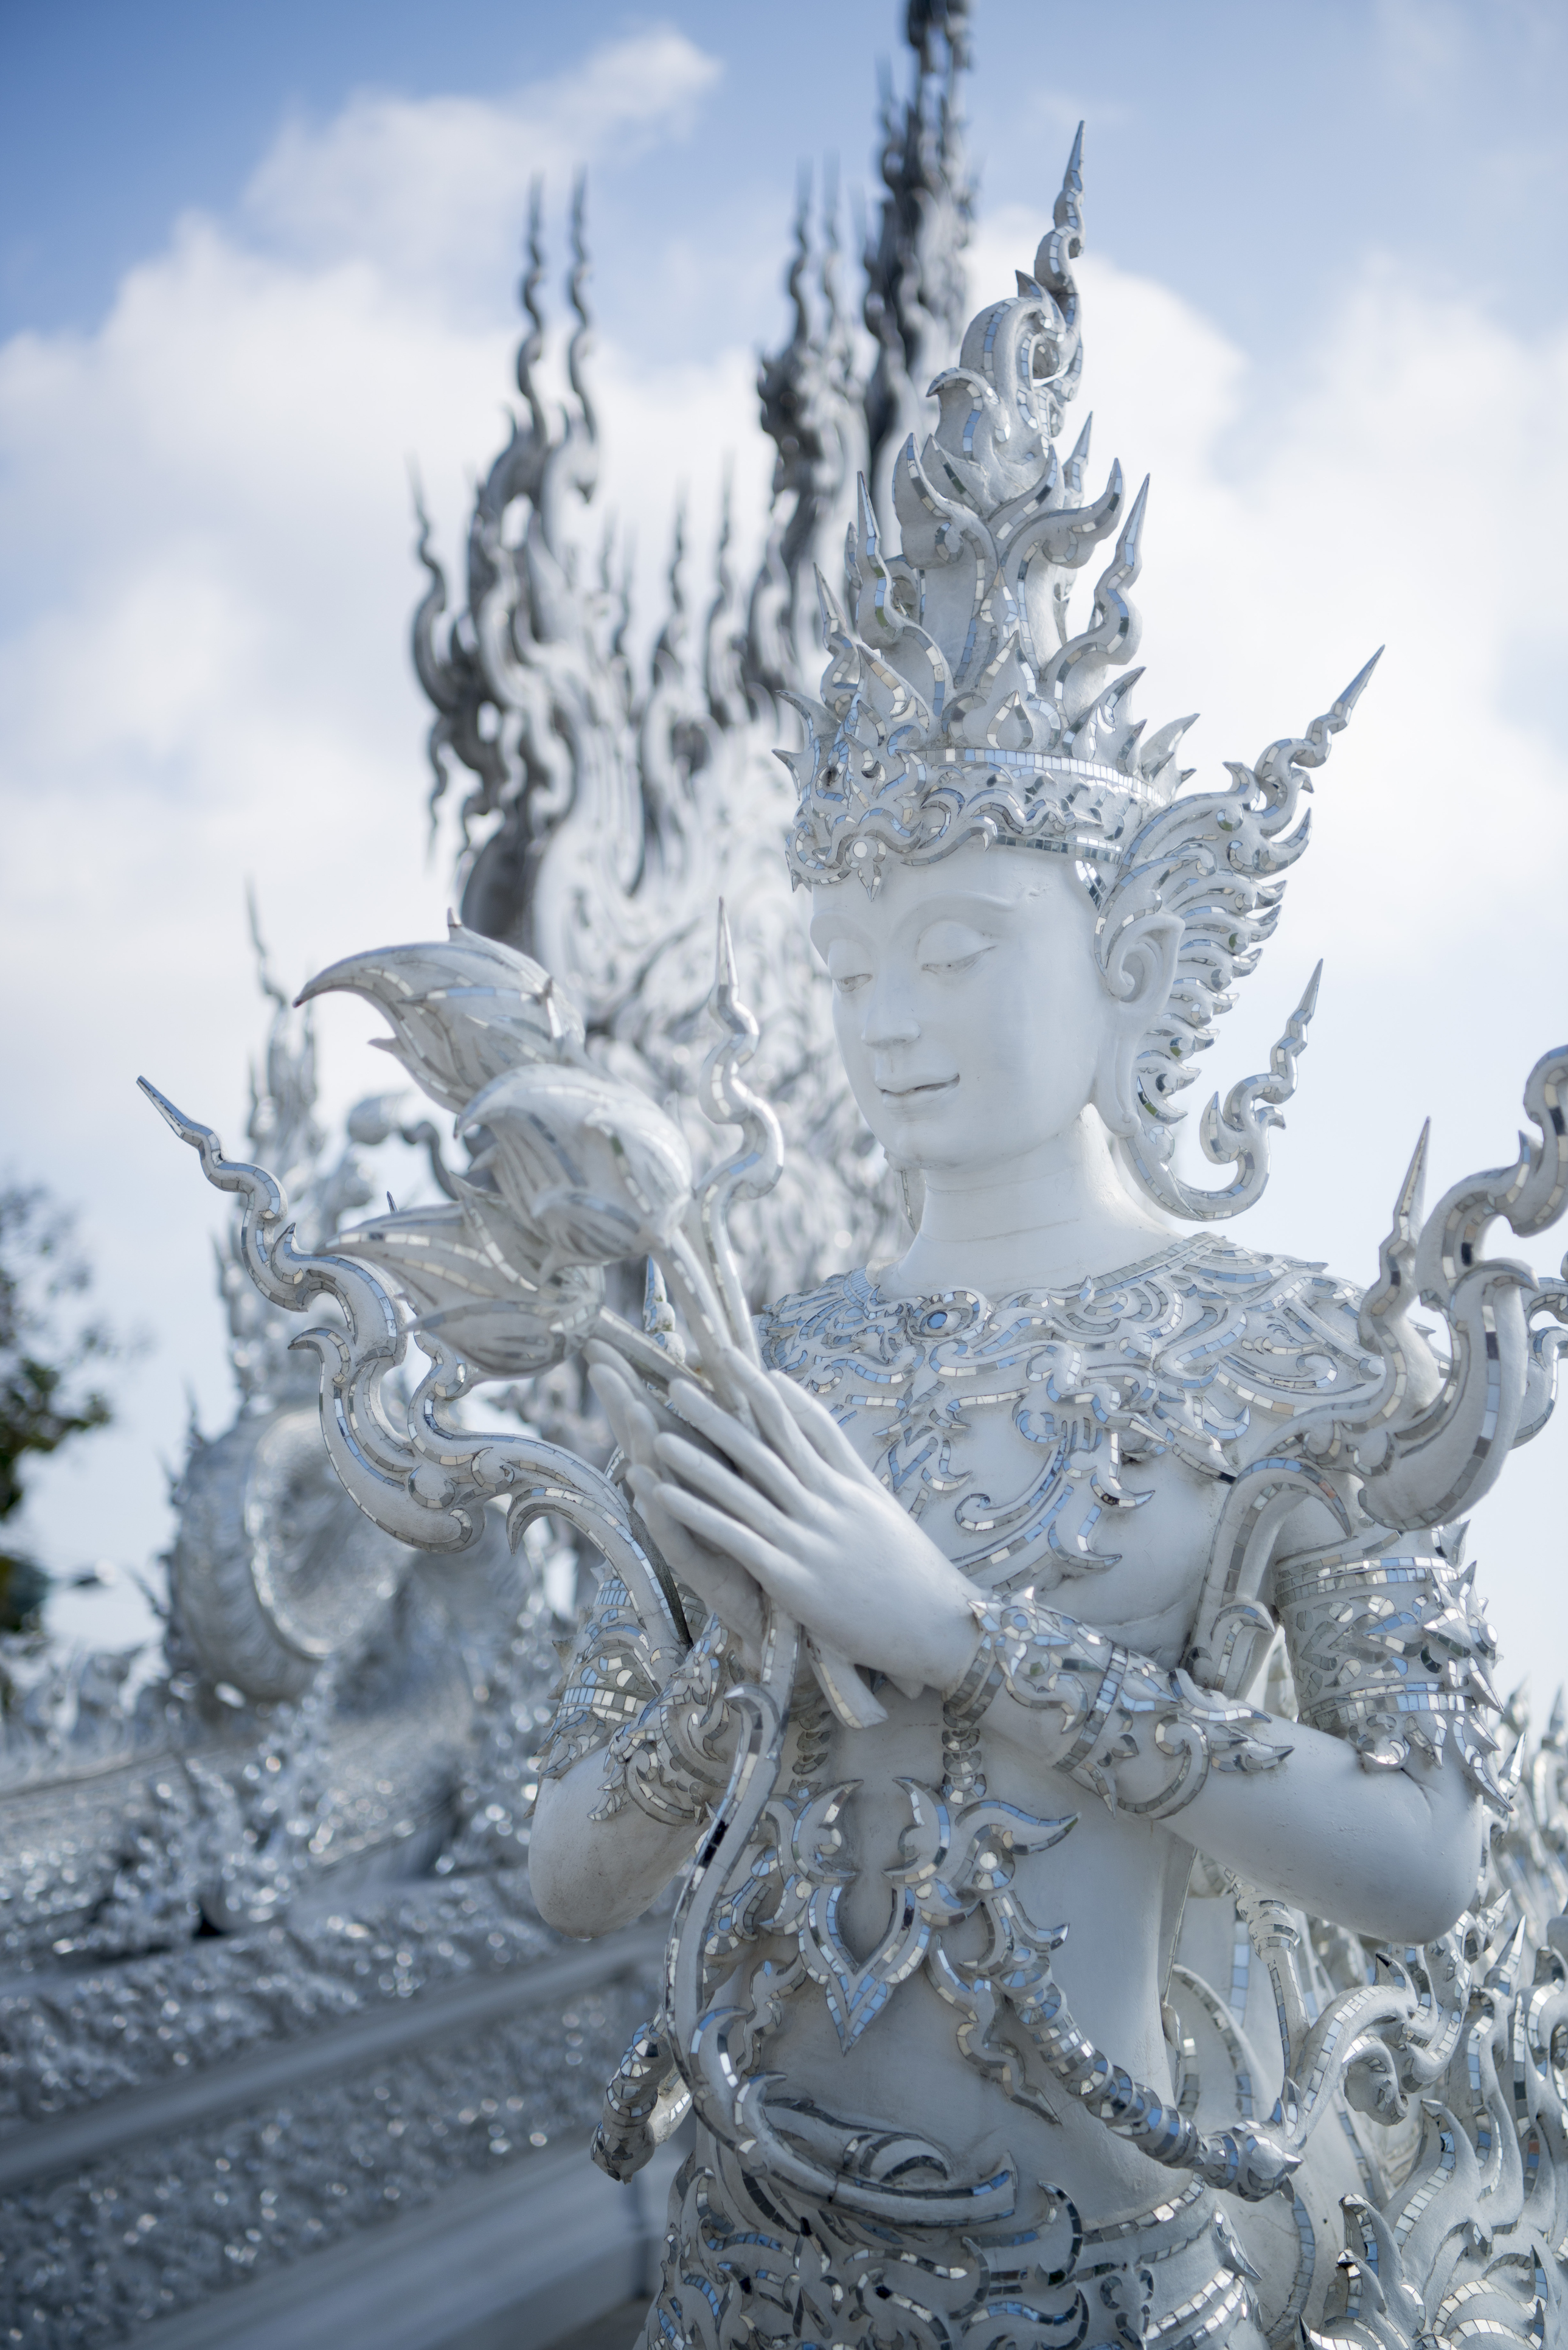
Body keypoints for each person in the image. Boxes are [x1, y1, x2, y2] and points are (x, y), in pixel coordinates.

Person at [526, 158, 1518, 2347]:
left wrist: (960, 1637)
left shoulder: (1294, 1353)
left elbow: (1424, 1865)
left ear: (1136, 949)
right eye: (854, 956)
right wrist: (735, 1657)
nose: (886, 1008)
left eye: (958, 943)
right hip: (746, 2264)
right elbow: (570, 1868)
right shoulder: (773, 1357)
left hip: (1096, 2272)